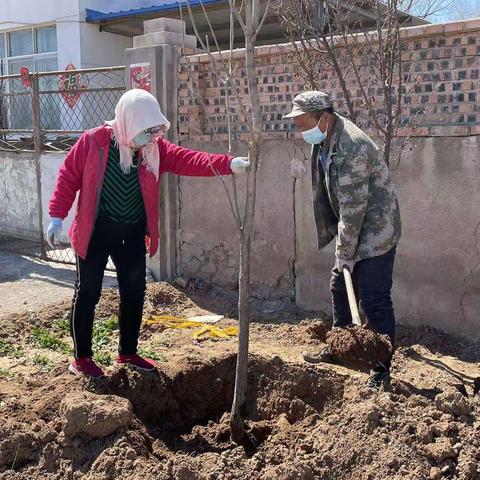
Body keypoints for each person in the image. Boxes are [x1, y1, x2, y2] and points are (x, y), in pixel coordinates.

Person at [47, 88, 249, 378]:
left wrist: (227, 164)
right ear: (128, 122)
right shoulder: (96, 141)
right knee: (88, 292)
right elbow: (68, 176)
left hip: (131, 231)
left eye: (153, 132)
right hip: (96, 230)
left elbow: (188, 160)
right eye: (145, 131)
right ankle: (82, 359)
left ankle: (127, 353)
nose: (150, 138)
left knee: (134, 291)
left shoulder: (155, 149)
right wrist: (56, 216)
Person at [283, 91, 401, 389]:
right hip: (353, 227)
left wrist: (345, 252)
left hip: (376, 232)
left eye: (301, 123)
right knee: (340, 286)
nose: (299, 130)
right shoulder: (325, 139)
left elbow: (353, 209)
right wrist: (344, 254)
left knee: (374, 299)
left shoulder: (351, 146)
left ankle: (380, 368)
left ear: (324, 117)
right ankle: (340, 347)